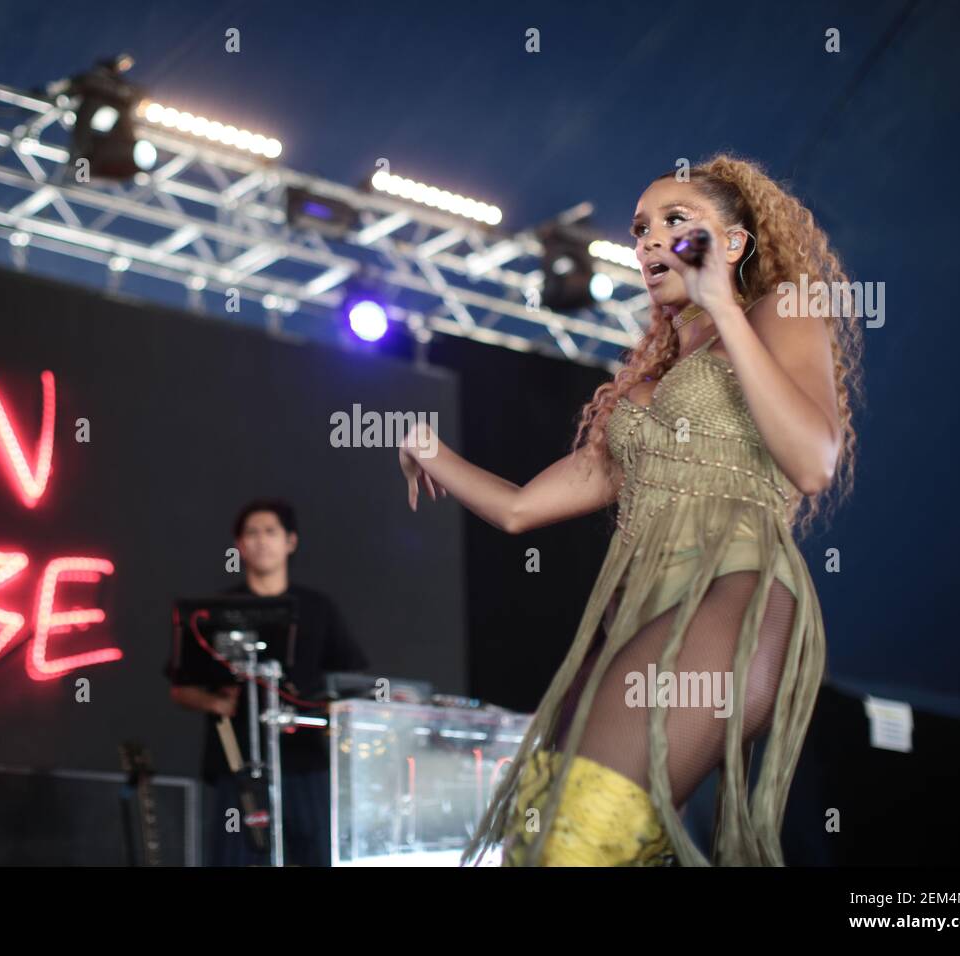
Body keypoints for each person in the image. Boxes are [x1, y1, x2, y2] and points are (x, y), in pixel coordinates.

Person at [399, 154, 863, 866]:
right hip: (635, 622)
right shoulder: (647, 384)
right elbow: (522, 509)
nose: (649, 239)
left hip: (731, 594)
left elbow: (813, 461)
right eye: (641, 228)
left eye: (675, 221)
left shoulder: (780, 312)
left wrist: (724, 308)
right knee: (546, 838)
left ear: (734, 243)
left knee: (581, 839)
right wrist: (430, 450)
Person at [169, 498, 369, 866]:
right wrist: (216, 703)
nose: (262, 541)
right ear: (239, 545)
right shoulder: (214, 610)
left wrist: (328, 710)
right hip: (240, 769)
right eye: (252, 533)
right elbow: (180, 686)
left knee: (320, 854)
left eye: (271, 532)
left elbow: (353, 678)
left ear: (290, 541)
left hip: (306, 764)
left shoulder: (316, 608)